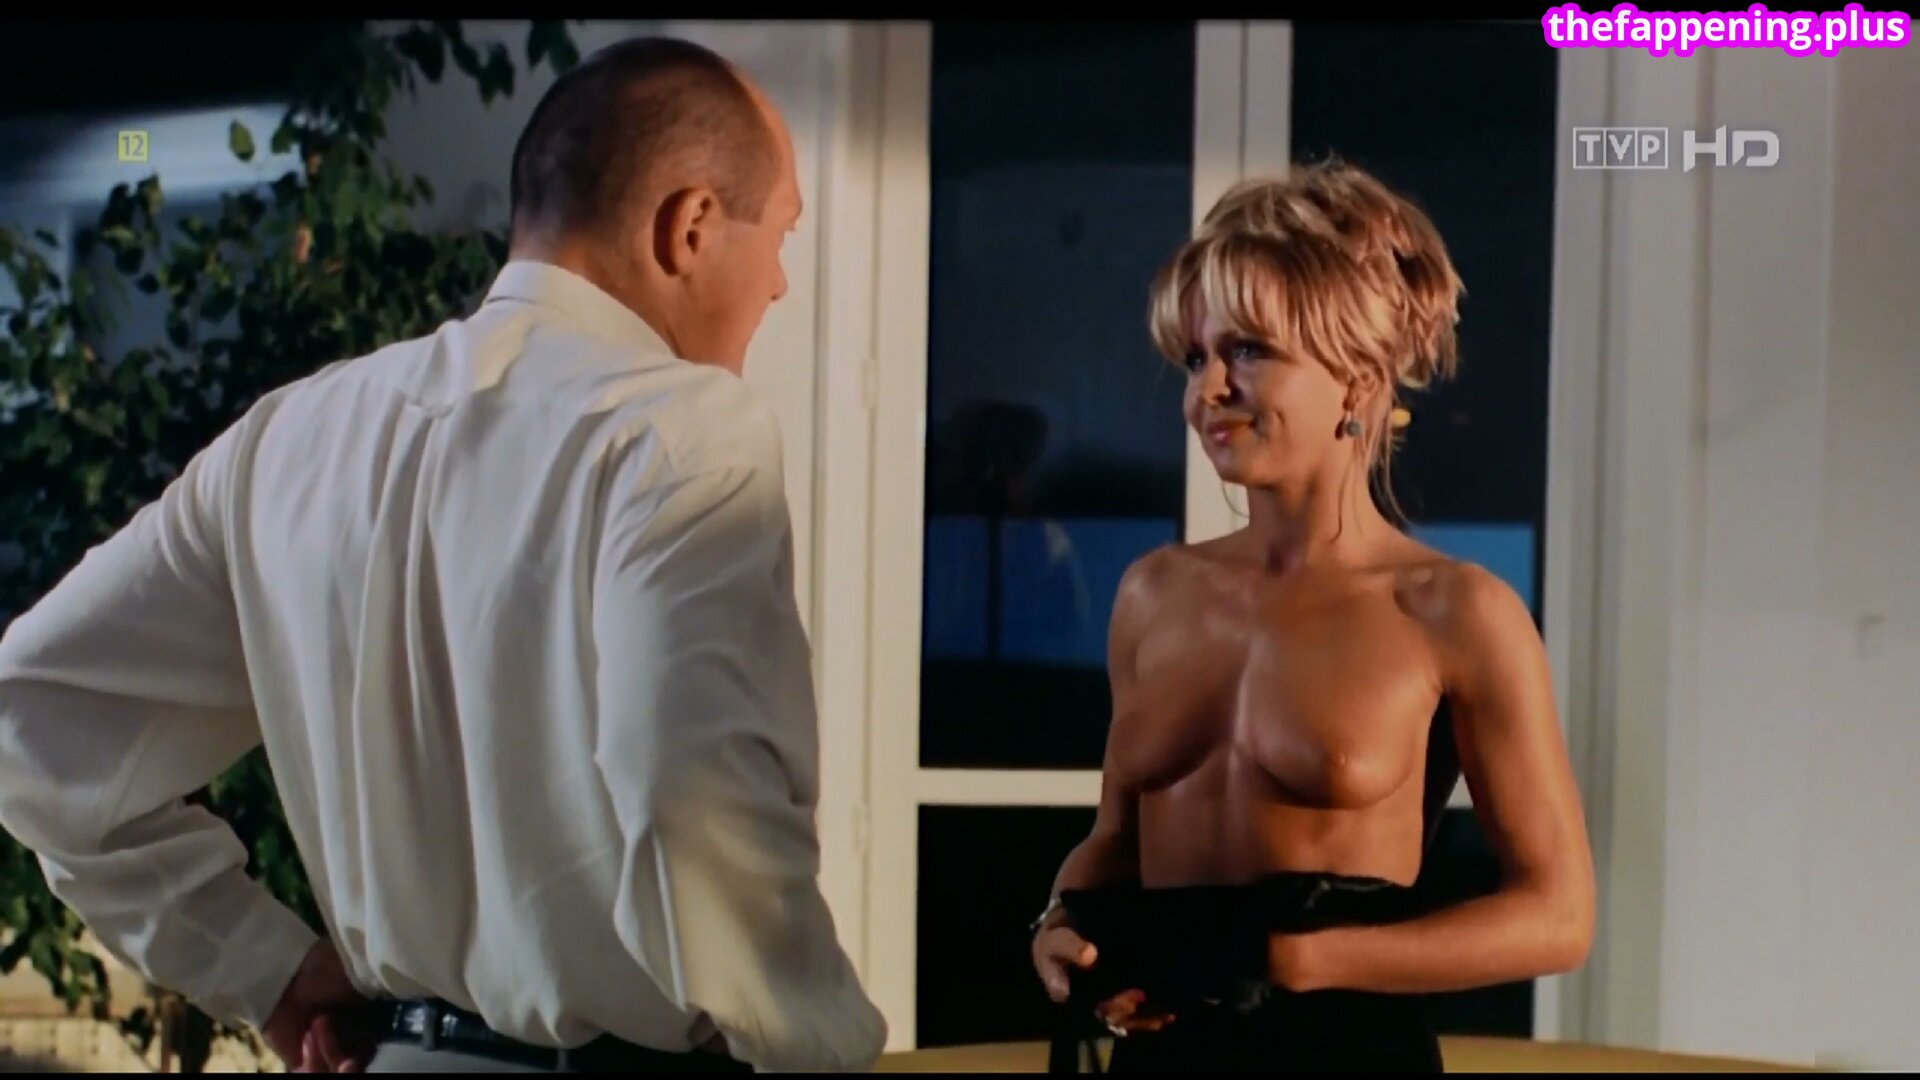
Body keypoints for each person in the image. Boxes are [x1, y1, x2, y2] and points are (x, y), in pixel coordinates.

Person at [0, 35, 886, 1074]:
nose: (778, 284)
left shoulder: (287, 441)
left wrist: (263, 967)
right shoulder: (682, 430)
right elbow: (694, 789)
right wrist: (819, 1048)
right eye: (780, 235)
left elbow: (33, 719)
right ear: (689, 226)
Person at [1027, 160, 1595, 1073]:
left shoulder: (1455, 612)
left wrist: (1296, 962)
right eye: (1196, 358)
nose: (1207, 390)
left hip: (1348, 1055)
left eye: (1249, 351)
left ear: (1360, 376)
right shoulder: (1152, 594)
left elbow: (1558, 916)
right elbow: (1116, 842)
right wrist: (1058, 924)